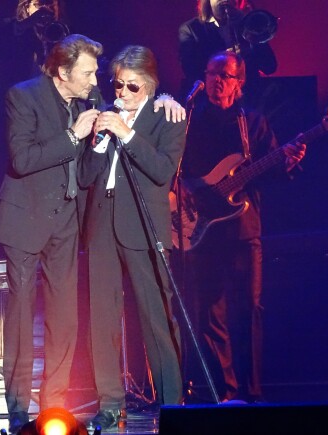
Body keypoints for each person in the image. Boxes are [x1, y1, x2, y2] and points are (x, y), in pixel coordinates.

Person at [0, 33, 102, 434]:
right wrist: (72, 136)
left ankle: (53, 407)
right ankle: (19, 409)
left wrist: (96, 144)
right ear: (63, 70)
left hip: (66, 220)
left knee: (65, 316)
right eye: (87, 72)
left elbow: (85, 169)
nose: (94, 79)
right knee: (20, 317)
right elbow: (21, 160)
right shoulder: (23, 96)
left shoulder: (87, 101)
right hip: (25, 218)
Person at [179, 51, 305, 403]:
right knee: (209, 316)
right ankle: (225, 393)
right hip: (201, 233)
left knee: (249, 310)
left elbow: (273, 172)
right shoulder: (191, 120)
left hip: (243, 232)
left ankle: (252, 392)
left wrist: (289, 162)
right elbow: (177, 172)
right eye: (212, 73)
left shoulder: (252, 122)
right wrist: (187, 192)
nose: (217, 80)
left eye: (225, 75)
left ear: (239, 82)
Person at [78, 45, 186, 428]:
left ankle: (172, 401)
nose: (122, 93)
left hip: (142, 222)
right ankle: (110, 401)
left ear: (151, 86)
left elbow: (161, 171)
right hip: (102, 220)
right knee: (102, 316)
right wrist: (99, 142)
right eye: (118, 85)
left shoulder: (167, 116)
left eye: (132, 87)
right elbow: (85, 176)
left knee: (156, 314)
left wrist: (127, 133)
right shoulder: (105, 117)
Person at [178, 0, 276, 100]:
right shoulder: (190, 29)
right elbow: (191, 71)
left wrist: (252, 34)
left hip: (252, 98)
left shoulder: (247, 23)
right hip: (214, 101)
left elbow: (269, 67)